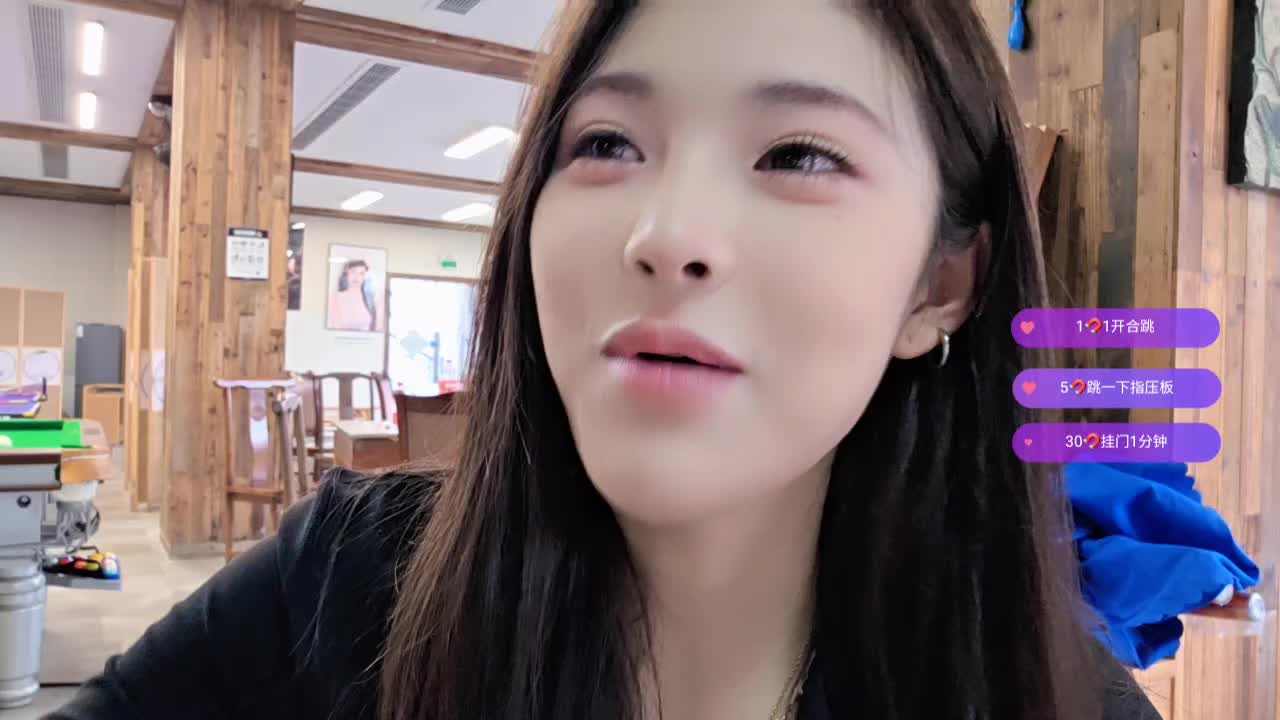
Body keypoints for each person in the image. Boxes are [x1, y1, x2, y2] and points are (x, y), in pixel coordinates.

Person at [51, 2, 1163, 719]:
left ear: (940, 285)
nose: (664, 233)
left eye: (797, 155)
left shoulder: (1050, 696)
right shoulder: (341, 585)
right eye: (607, 144)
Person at [328, 258, 377, 331]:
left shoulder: (369, 298)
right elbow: (334, 326)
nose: (356, 277)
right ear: (346, 275)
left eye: (361, 273)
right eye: (353, 272)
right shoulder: (336, 297)